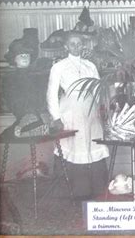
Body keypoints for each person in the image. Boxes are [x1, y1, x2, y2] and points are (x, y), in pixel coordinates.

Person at [46, 31, 109, 200]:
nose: (76, 47)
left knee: (93, 144)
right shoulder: (59, 66)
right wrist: (56, 117)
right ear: (66, 46)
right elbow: (51, 94)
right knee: (76, 146)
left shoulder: (90, 65)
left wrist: (102, 107)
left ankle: (97, 188)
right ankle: (79, 191)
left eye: (79, 43)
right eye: (72, 44)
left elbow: (97, 89)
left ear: (84, 45)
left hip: (90, 110)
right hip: (71, 110)